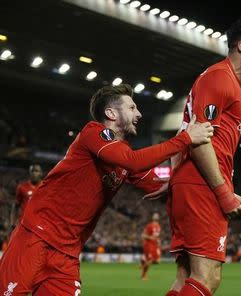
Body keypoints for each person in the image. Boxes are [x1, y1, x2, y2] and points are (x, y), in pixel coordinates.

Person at [0, 84, 213, 295]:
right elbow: (133, 161)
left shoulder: (124, 157)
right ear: (111, 113)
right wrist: (184, 139)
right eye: (131, 108)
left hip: (67, 253)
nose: (138, 113)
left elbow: (158, 181)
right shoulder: (93, 133)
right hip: (37, 236)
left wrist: (214, 186)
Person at [166, 15, 241, 296]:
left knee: (185, 278)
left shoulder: (224, 82)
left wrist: (174, 178)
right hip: (201, 185)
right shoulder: (220, 77)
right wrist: (224, 192)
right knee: (207, 277)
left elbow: (185, 131)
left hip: (190, 182)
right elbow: (200, 140)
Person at [140, 212, 162, 280]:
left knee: (157, 261)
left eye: (157, 215)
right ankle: (143, 275)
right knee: (150, 260)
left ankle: (143, 260)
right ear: (152, 217)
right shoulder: (150, 225)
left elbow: (156, 236)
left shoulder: (158, 226)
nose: (156, 216)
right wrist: (150, 238)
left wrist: (158, 240)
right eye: (155, 215)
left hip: (155, 245)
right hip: (149, 244)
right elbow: (143, 235)